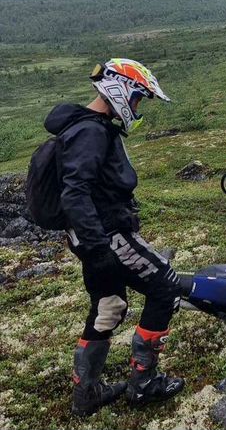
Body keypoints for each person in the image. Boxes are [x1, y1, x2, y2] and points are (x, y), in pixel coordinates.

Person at [42, 59, 184, 417]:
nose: (137, 108)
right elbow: (75, 194)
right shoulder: (91, 131)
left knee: (109, 307)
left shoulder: (87, 126)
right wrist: (99, 249)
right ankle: (144, 383)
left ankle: (86, 394)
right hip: (107, 237)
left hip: (92, 237)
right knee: (165, 288)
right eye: (138, 99)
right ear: (120, 91)